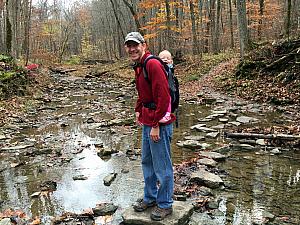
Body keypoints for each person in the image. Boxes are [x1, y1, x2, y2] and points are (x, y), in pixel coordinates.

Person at [124, 31, 176, 221]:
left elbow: (164, 97)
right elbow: (143, 93)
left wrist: (155, 124)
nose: (132, 49)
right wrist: (138, 108)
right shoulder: (139, 66)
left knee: (162, 165)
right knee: (147, 162)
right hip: (148, 120)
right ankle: (150, 197)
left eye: (135, 45)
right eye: (129, 46)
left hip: (159, 123)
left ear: (144, 45)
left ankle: (165, 204)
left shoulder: (152, 64)